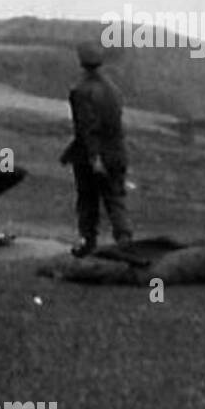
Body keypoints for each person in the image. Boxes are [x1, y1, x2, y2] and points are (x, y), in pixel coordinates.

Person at [61, 40, 132, 257]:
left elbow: (86, 128)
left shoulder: (80, 90)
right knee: (115, 198)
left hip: (93, 155)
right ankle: (125, 242)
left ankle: (87, 242)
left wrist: (94, 157)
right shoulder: (113, 89)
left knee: (87, 199)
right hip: (117, 151)